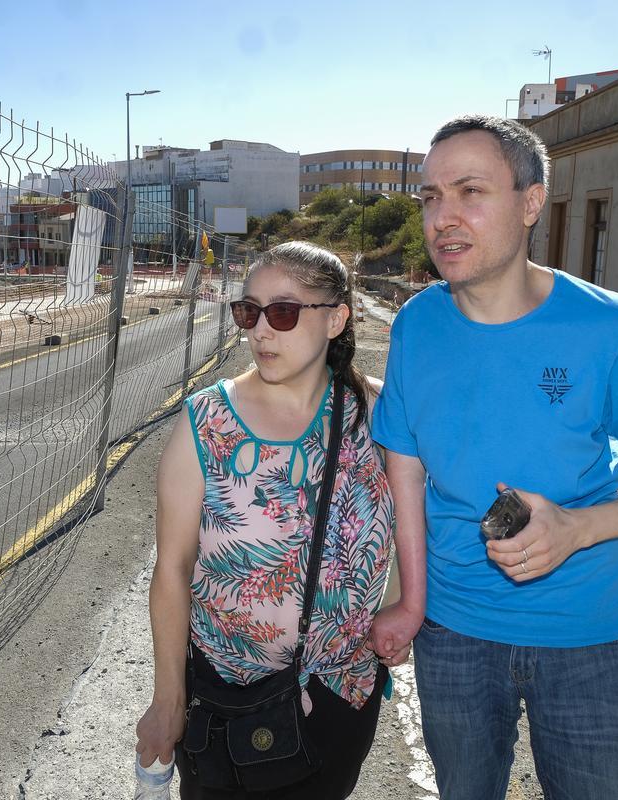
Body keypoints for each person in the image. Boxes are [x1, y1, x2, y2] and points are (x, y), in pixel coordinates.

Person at [368, 115, 618, 800]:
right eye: (431, 197)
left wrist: (579, 528)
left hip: (588, 639)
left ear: (530, 203)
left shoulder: (606, 326)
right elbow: (404, 470)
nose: (444, 217)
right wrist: (409, 600)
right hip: (454, 636)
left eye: (470, 191)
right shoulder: (417, 324)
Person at [136, 241, 397, 799]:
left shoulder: (377, 413)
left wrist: (400, 606)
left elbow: (410, 525)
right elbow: (173, 570)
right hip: (228, 701)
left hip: (341, 694)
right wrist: (167, 699)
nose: (259, 331)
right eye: (248, 312)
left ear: (336, 319)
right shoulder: (206, 422)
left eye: (281, 311)